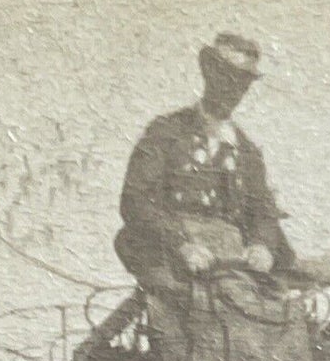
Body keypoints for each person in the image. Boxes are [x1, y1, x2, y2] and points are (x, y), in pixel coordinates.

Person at [116, 33, 293, 293]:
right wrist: (181, 245)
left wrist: (262, 246)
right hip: (171, 257)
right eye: (226, 76)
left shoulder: (247, 151)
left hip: (231, 264)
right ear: (208, 72)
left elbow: (263, 210)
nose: (233, 90)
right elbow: (135, 201)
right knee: (177, 309)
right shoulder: (165, 132)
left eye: (242, 83)